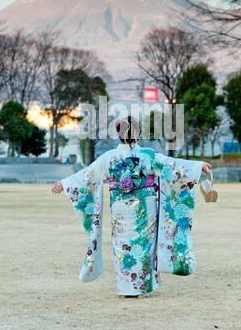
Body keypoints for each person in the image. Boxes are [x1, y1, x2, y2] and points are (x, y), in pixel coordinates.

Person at [52, 116, 211, 297]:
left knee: (123, 244)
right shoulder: (149, 155)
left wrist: (65, 183)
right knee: (143, 245)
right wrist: (198, 167)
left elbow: (88, 175)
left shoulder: (109, 156)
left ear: (119, 135)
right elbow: (172, 166)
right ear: (138, 133)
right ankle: (142, 285)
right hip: (145, 205)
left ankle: (126, 287)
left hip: (120, 206)